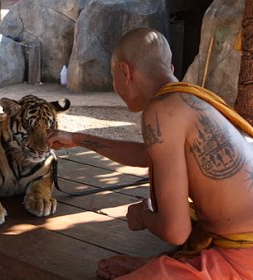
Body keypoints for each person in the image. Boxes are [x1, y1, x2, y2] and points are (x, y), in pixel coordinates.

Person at [47, 27, 253, 279]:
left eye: (114, 76)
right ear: (171, 69)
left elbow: (175, 231)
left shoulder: (161, 110)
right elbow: (150, 154)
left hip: (243, 257)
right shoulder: (191, 98)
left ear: (124, 71)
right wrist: (78, 139)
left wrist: (144, 216)